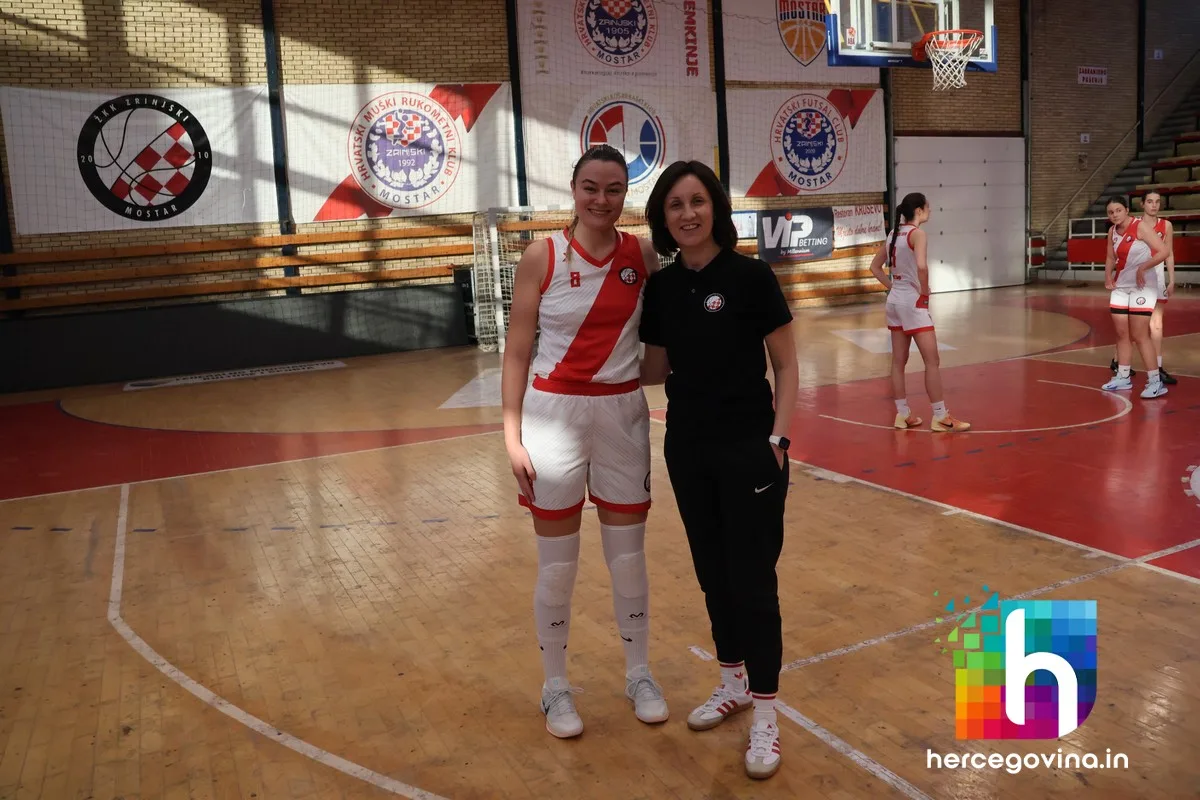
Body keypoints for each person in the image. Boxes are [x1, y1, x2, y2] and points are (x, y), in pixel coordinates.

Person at [501, 144, 669, 739]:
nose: (602, 199)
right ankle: (555, 687)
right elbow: (516, 352)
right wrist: (512, 437)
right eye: (591, 188)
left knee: (628, 558)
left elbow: (661, 344)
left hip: (622, 413)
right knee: (557, 566)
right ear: (573, 190)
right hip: (553, 417)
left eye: (614, 189)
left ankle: (639, 673)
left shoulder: (642, 255)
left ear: (626, 194)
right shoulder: (541, 255)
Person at [638, 160, 799, 780]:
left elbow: (786, 365)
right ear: (664, 217)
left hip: (750, 450)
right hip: (687, 450)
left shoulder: (751, 277)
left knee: (753, 582)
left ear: (715, 208)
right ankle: (732, 682)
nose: (687, 213)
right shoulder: (662, 288)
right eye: (675, 205)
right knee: (712, 574)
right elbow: (654, 371)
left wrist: (778, 439)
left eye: (697, 201)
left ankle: (767, 715)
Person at [867, 193, 971, 432]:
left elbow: (874, 267)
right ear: (919, 210)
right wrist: (924, 293)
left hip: (895, 301)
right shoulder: (918, 234)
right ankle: (940, 416)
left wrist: (893, 287)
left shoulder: (893, 234)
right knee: (932, 361)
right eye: (928, 207)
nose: (930, 210)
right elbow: (922, 267)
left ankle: (903, 415)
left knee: (898, 362)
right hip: (912, 303)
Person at [1100, 195, 1171, 399]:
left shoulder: (1140, 227)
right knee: (1121, 333)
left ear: (1127, 210)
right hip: (1121, 286)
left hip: (1143, 286)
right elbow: (1110, 257)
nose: (1114, 215)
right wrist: (1107, 276)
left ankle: (1155, 381)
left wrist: (1143, 267)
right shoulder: (1112, 231)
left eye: (1118, 210)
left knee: (1140, 335)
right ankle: (1123, 377)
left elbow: (1164, 251)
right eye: (1111, 212)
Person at [1141, 191, 1177, 385]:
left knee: (1156, 324)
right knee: (1134, 326)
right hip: (1137, 279)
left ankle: (1157, 367)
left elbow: (1169, 253)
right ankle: (1119, 361)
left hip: (1157, 278)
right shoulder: (1134, 225)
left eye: (1157, 202)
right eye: (1150, 201)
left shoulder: (1166, 225)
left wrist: (1171, 279)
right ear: (1142, 204)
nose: (1154, 205)